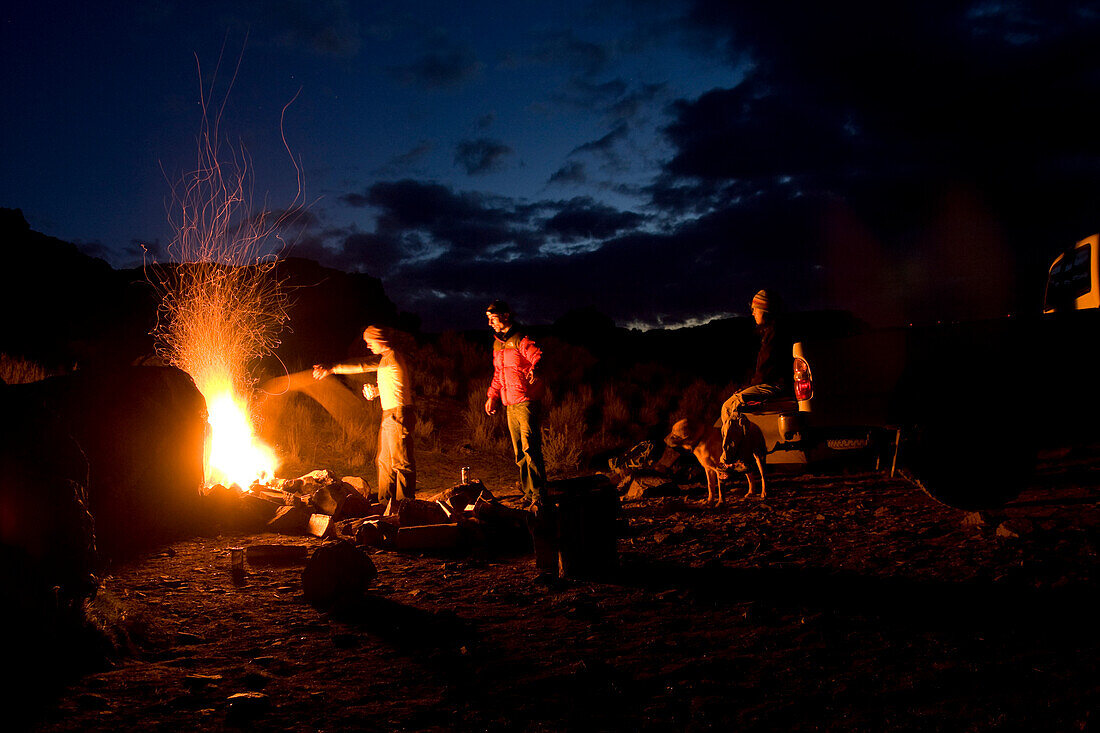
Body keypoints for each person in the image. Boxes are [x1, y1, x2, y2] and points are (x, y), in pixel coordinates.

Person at [313, 326, 416, 502]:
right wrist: (376, 391)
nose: (368, 346)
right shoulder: (386, 359)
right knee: (384, 462)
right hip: (390, 414)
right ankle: (385, 503)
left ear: (381, 340)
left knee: (401, 463)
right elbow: (394, 382)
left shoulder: (393, 358)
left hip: (398, 414)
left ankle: (405, 505)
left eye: (370, 342)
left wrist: (332, 368)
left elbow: (361, 365)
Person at [483, 300, 547, 513]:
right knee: (519, 452)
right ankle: (528, 494)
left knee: (531, 449)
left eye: (493, 318)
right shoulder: (498, 344)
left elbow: (537, 355)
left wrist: (535, 369)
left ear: (506, 316)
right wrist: (492, 396)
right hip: (509, 404)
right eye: (488, 319)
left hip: (525, 402)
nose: (490, 322)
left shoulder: (520, 339)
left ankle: (539, 495)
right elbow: (498, 374)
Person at [719, 289, 791, 466]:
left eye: (754, 309)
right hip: (773, 383)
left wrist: (747, 388)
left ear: (764, 310)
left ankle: (729, 460)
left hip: (776, 385)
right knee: (733, 408)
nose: (752, 313)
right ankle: (742, 452)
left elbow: (765, 371)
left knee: (731, 406)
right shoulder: (771, 332)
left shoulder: (774, 334)